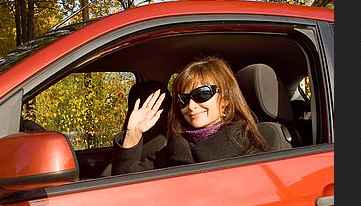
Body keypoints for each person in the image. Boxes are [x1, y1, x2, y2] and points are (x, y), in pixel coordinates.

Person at [111, 56, 267, 175]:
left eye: (202, 94)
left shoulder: (246, 148)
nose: (191, 106)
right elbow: (126, 186)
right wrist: (133, 134)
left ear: (225, 100)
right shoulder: (177, 146)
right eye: (183, 99)